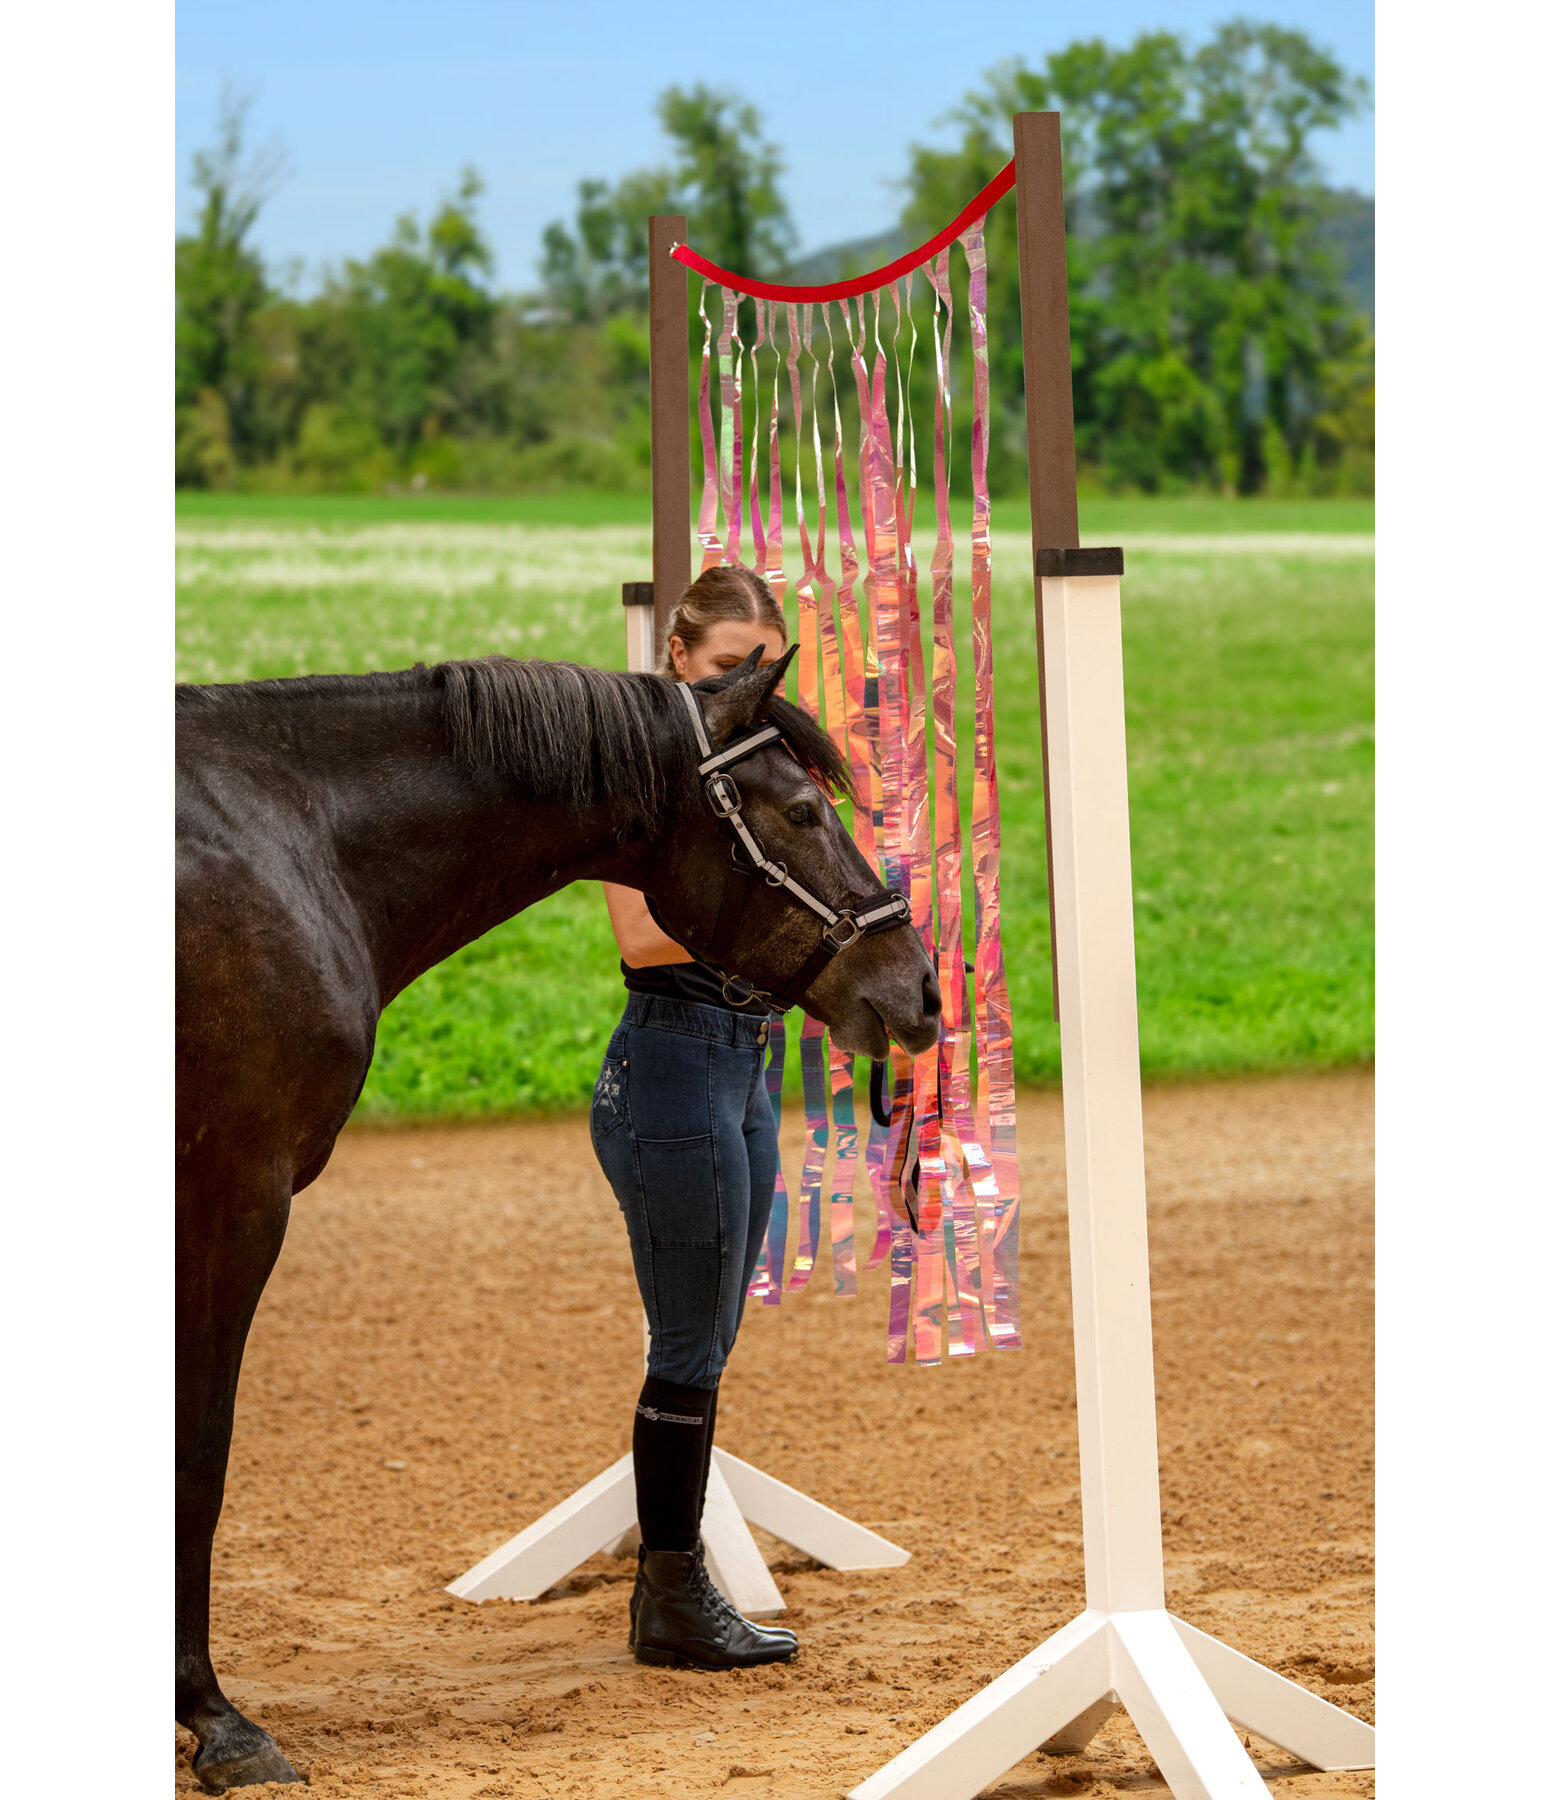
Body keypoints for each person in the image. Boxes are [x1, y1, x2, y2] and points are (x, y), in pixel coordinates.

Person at [592, 564, 799, 1670]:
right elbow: (639, 938)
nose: (746, 683)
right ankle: (669, 1597)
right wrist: (782, 922)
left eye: (761, 666)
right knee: (685, 1348)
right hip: (671, 1067)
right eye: (728, 666)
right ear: (677, 658)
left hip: (742, 1066)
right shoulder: (637, 772)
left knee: (708, 1342)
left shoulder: (745, 768)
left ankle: (671, 1582)